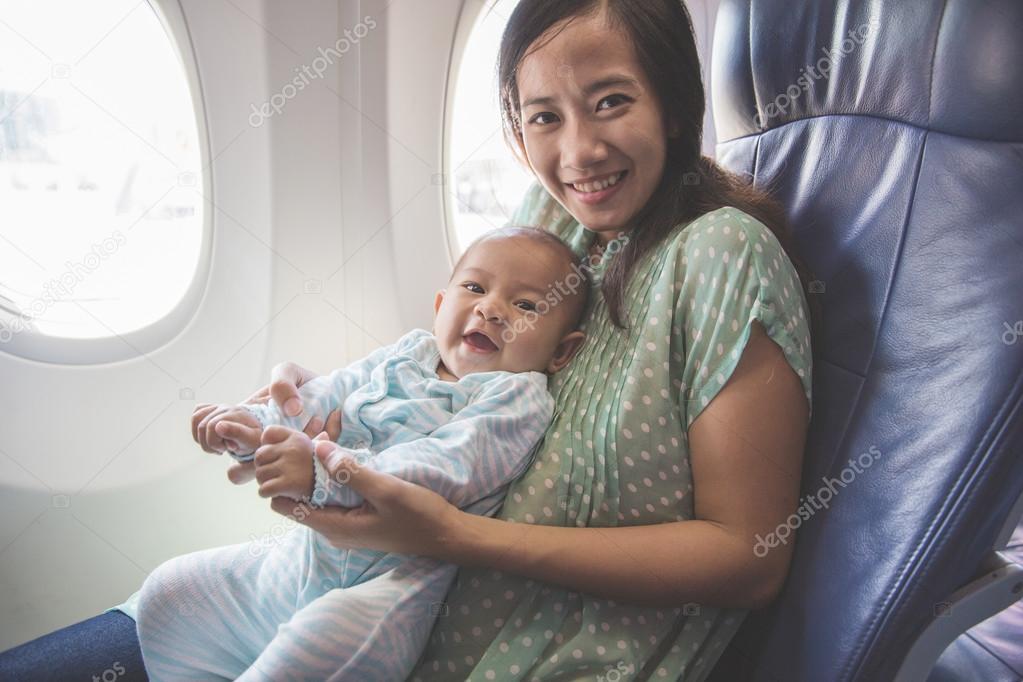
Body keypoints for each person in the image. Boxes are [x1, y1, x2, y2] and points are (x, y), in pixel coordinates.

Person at [0, 1, 815, 680]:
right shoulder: (552, 223)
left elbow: (748, 556)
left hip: (519, 649)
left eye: (610, 102)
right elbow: (445, 376)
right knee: (143, 609)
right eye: (543, 116)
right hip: (340, 587)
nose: (579, 152)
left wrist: (452, 536)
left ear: (672, 104)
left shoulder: (721, 254)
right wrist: (329, 402)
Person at [123, 228, 591, 681]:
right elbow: (324, 396)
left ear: (561, 353)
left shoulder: (517, 396)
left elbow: (448, 466)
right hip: (301, 561)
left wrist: (326, 474)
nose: (490, 308)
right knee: (169, 593)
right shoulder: (410, 351)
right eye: (474, 287)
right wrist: (252, 427)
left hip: (385, 586)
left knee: (324, 645)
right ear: (440, 305)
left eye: (526, 305)